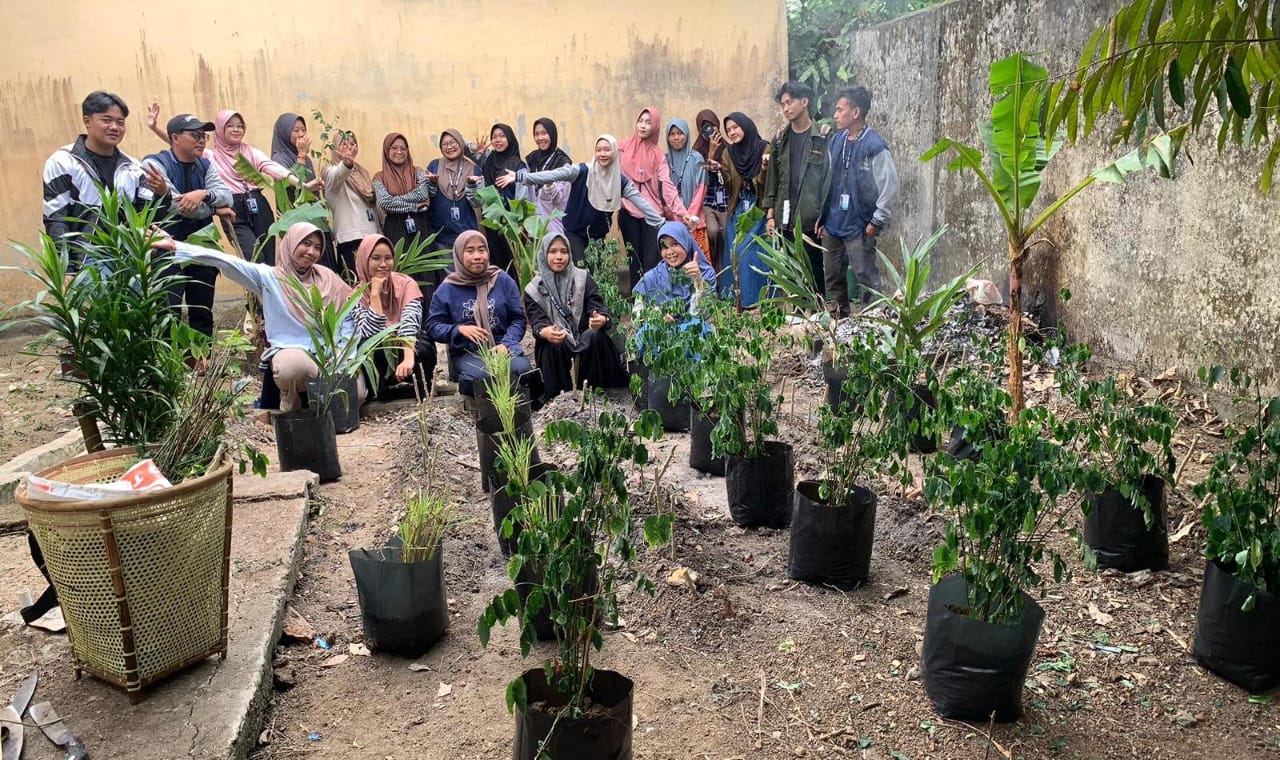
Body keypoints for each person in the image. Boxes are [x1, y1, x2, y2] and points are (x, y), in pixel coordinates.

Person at [161, 222, 364, 413]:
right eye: (306, 244)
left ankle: (322, 406)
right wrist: (176, 246)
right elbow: (226, 261)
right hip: (298, 353)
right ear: (291, 243)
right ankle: (292, 406)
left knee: (359, 392)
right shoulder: (270, 277)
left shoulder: (327, 277)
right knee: (291, 367)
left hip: (332, 353)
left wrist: (341, 353)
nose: (312, 252)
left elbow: (348, 318)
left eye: (318, 247)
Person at [42, 91, 170, 268]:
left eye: (120, 122)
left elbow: (146, 219)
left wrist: (163, 194)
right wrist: (67, 270)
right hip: (85, 262)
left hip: (128, 262)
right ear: (87, 121)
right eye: (106, 120)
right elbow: (56, 218)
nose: (115, 127)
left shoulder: (133, 167)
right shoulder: (63, 161)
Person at [495, 134, 662, 266]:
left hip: (597, 236)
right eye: (599, 150)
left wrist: (662, 224)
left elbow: (642, 204)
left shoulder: (620, 182)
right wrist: (519, 176)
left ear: (614, 152)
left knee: (597, 273)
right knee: (582, 270)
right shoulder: (581, 171)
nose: (602, 154)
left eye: (607, 149)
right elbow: (552, 174)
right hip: (574, 233)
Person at [141, 113, 234, 340]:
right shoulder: (154, 164)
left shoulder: (204, 165)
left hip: (201, 245)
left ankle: (201, 363)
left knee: (202, 310)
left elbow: (227, 197)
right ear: (175, 137)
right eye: (195, 135)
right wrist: (213, 209)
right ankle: (170, 367)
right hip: (166, 247)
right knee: (167, 311)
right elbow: (176, 205)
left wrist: (203, 193)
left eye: (204, 135)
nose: (202, 140)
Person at [820, 85, 899, 315]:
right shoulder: (837, 141)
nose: (835, 115)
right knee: (833, 277)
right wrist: (823, 216)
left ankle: (870, 325)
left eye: (839, 110)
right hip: (833, 225)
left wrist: (877, 220)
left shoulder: (874, 145)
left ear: (856, 113)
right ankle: (839, 323)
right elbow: (828, 181)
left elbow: (889, 185)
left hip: (859, 225)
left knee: (866, 278)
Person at [523, 232, 628, 400]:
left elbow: (596, 305)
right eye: (553, 252)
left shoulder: (582, 277)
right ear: (544, 254)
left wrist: (600, 319)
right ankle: (559, 398)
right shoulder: (533, 289)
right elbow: (537, 321)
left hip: (585, 340)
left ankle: (602, 392)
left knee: (594, 336)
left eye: (564, 251)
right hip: (558, 343)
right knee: (553, 343)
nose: (559, 257)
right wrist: (545, 331)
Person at [425, 230, 531, 395]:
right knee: (481, 378)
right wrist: (459, 329)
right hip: (467, 351)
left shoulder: (502, 280)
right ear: (459, 254)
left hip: (501, 346)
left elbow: (518, 319)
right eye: (470, 251)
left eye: (482, 250)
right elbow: (433, 326)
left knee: (524, 371)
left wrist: (507, 344)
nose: (477, 256)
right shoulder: (447, 289)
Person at [761, 81, 832, 293]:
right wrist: (770, 215)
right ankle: (798, 318)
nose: (786, 108)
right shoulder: (780, 139)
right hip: (785, 218)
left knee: (815, 270)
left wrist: (826, 216)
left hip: (812, 219)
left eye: (789, 102)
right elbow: (773, 179)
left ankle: (817, 316)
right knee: (792, 271)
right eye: (783, 104)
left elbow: (829, 181)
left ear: (805, 101)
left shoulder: (822, 137)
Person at [204, 110, 300, 266]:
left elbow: (272, 167)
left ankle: (266, 291)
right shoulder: (210, 156)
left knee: (268, 260)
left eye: (240, 126)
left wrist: (301, 184)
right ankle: (255, 291)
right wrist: (154, 128)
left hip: (258, 205)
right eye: (230, 126)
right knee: (253, 258)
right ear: (220, 129)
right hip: (232, 210)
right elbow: (181, 144)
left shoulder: (251, 152)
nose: (236, 130)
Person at [618, 107, 694, 287]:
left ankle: (654, 305)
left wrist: (682, 213)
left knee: (652, 261)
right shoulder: (620, 148)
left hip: (652, 217)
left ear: (655, 126)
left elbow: (668, 186)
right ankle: (638, 303)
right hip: (628, 214)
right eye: (640, 121)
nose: (643, 126)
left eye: (648, 122)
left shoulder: (657, 154)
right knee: (633, 260)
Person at [353, 234, 436, 397]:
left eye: (388, 258)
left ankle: (420, 388)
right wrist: (375, 295)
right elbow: (368, 335)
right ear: (364, 260)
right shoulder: (356, 295)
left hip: (406, 342)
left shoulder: (406, 283)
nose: (383, 264)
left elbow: (410, 322)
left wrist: (408, 358)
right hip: (378, 346)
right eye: (376, 258)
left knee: (423, 348)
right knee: (371, 351)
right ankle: (381, 391)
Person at [720, 112, 771, 305]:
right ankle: (735, 298)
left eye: (735, 127)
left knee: (751, 252)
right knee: (735, 252)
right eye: (728, 130)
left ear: (746, 125)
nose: (732, 132)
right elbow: (729, 186)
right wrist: (719, 172)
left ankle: (757, 298)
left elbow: (768, 184)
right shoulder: (728, 153)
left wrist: (764, 169)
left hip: (758, 208)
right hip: (739, 207)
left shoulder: (764, 148)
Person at [323, 132, 379, 280]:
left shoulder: (362, 171)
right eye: (344, 143)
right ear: (335, 147)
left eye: (352, 143)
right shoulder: (330, 171)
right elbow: (338, 175)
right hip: (351, 241)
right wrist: (346, 163)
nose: (349, 147)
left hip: (372, 237)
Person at [374, 132, 433, 265]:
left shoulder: (418, 171)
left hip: (420, 225)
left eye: (403, 148)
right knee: (401, 267)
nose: (399, 152)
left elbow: (423, 194)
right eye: (394, 148)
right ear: (386, 150)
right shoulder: (379, 178)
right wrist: (414, 206)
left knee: (425, 267)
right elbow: (386, 203)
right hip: (395, 228)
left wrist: (396, 199)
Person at [425, 128, 484, 252]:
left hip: (466, 233)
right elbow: (427, 196)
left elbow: (477, 203)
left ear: (461, 143)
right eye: (445, 144)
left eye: (453, 142)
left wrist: (471, 186)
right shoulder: (434, 166)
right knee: (447, 271)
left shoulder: (473, 169)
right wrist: (432, 184)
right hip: (439, 234)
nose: (449, 147)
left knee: (467, 270)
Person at [479, 123, 527, 272]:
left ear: (510, 139)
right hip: (493, 222)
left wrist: (519, 222)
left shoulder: (518, 164)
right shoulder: (489, 161)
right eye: (494, 137)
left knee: (515, 261)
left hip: (512, 224)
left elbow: (522, 196)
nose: (497, 140)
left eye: (502, 136)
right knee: (496, 262)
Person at [692, 109, 730, 273]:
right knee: (713, 233)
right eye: (705, 128)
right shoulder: (697, 151)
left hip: (726, 198)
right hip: (707, 199)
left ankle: (727, 271)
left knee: (727, 233)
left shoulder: (729, 148)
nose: (710, 131)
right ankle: (714, 270)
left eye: (712, 126)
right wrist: (712, 152)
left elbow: (728, 176)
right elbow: (701, 177)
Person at [666, 118, 709, 264]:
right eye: (672, 134)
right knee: (676, 261)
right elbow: (665, 191)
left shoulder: (698, 158)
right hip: (673, 220)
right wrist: (678, 216)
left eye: (680, 133)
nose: (676, 137)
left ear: (687, 134)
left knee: (699, 261)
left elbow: (701, 188)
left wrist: (690, 216)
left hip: (695, 221)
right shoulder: (664, 160)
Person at [524, 117, 572, 230]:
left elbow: (562, 199)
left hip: (554, 223)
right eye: (536, 134)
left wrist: (549, 185)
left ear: (552, 134)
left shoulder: (563, 163)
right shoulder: (532, 159)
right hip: (535, 226)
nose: (540, 138)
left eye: (544, 133)